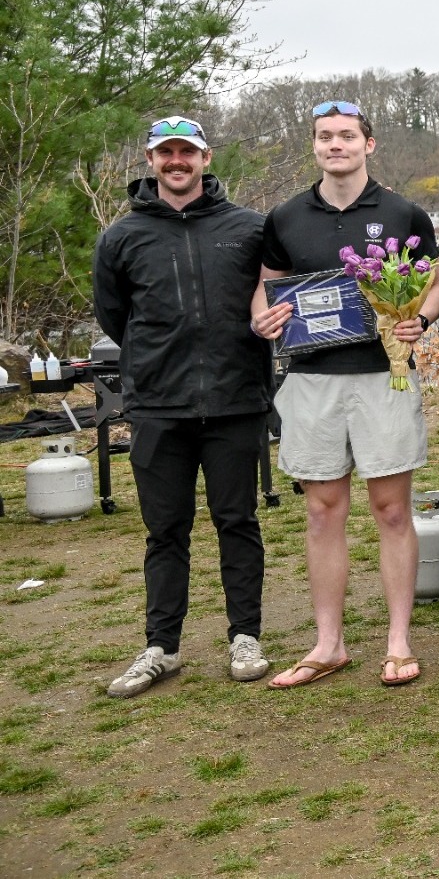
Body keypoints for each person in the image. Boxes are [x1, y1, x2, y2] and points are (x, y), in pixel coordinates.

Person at [251, 101, 439, 688]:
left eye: (347, 136)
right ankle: (328, 643)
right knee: (321, 511)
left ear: (369, 144)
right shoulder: (286, 217)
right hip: (311, 379)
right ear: (314, 146)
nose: (336, 145)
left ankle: (398, 640)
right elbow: (265, 289)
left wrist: (423, 320)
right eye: (325, 137)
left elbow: (436, 278)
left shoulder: (402, 211)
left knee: (391, 509)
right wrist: (263, 319)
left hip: (384, 375)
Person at [93, 117, 274, 698]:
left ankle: (245, 636)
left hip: (234, 401)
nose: (177, 161)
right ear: (151, 159)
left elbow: (270, 298)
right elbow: (114, 316)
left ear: (205, 157)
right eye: (166, 152)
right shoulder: (122, 237)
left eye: (187, 152)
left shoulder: (247, 228)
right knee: (164, 530)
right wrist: (158, 361)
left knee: (237, 522)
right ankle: (161, 647)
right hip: (157, 406)